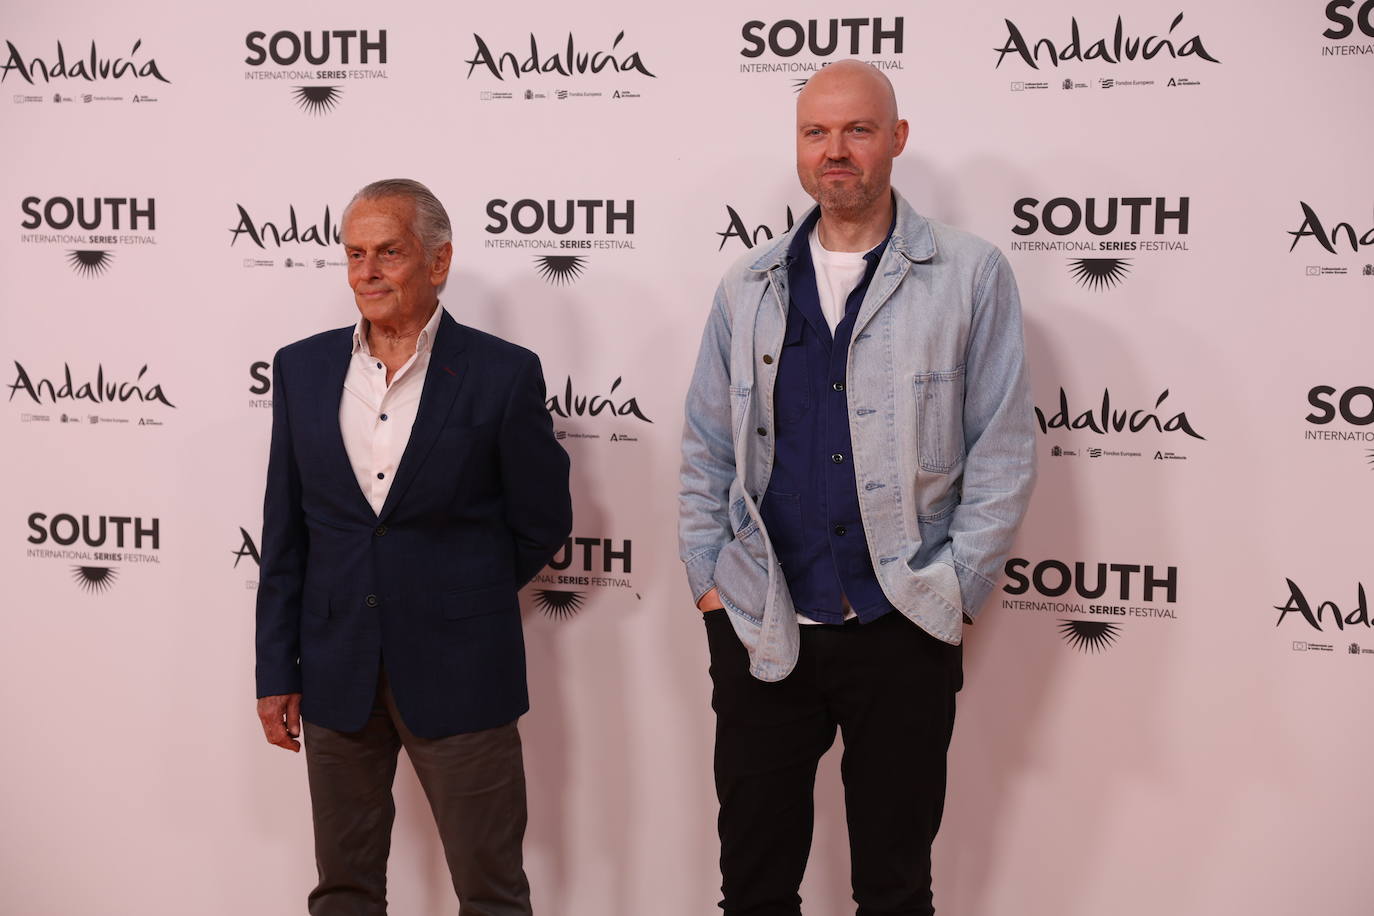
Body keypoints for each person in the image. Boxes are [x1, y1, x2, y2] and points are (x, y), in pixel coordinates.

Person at [678, 61, 1036, 915]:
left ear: (896, 139)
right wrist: (709, 586)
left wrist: (956, 591)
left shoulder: (970, 275)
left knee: (895, 888)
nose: (834, 150)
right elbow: (706, 448)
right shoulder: (748, 285)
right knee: (754, 888)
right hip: (763, 624)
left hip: (902, 625)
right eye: (816, 132)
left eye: (857, 130)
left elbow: (1003, 451)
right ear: (799, 147)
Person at [255, 178, 571, 916]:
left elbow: (542, 519)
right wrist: (276, 668)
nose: (367, 272)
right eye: (354, 254)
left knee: (492, 893)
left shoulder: (502, 372)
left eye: (389, 252)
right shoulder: (301, 369)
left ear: (438, 260)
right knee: (343, 891)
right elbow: (285, 532)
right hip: (335, 668)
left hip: (463, 668)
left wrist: (460, 596)